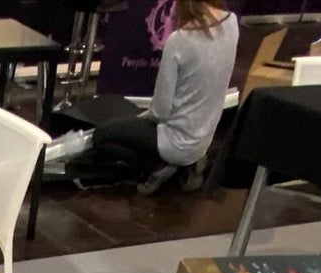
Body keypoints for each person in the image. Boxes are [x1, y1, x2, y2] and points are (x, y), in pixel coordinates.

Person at [81, 0, 238, 193]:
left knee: (102, 136)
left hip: (173, 141)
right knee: (127, 125)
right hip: (203, 140)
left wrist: (140, 118)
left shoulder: (180, 40)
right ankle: (186, 164)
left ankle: (160, 167)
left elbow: (160, 112)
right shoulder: (231, 22)